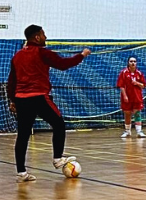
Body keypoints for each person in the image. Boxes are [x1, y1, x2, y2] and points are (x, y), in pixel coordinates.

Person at [7, 25, 89, 182]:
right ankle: (57, 158)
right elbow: (63, 64)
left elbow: (12, 81)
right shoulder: (42, 52)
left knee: (23, 135)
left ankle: (21, 173)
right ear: (37, 37)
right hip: (38, 97)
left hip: (22, 99)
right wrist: (82, 55)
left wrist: (13, 100)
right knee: (58, 124)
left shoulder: (17, 56)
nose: (46, 37)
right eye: (43, 34)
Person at [116, 56, 146, 139]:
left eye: (134, 61)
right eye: (131, 61)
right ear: (128, 63)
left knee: (137, 113)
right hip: (127, 97)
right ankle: (127, 131)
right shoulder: (124, 73)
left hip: (137, 97)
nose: (133, 63)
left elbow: (143, 85)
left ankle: (139, 131)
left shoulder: (139, 73)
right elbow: (121, 86)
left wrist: (136, 83)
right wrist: (125, 96)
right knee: (127, 113)